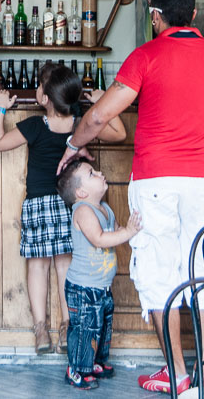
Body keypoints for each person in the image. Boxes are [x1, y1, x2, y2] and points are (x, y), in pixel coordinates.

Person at [57, 0, 204, 395]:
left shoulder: (146, 55)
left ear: (156, 17)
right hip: (200, 178)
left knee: (156, 271)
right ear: (192, 15)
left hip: (155, 176)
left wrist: (72, 145)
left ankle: (176, 372)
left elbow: (98, 118)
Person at [0, 63, 126, 356]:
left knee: (37, 266)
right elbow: (119, 134)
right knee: (66, 265)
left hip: (38, 203)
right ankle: (67, 325)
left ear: (43, 99)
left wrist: (0, 109)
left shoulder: (35, 125)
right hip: (71, 206)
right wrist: (102, 103)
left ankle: (40, 329)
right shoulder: (81, 123)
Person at [56, 156, 142, 390]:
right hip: (82, 288)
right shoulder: (83, 211)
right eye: (92, 173)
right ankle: (76, 369)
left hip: (101, 286)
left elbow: (117, 232)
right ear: (82, 192)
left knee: (102, 325)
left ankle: (95, 361)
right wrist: (129, 232)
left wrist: (132, 232)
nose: (100, 173)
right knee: (84, 329)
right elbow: (100, 239)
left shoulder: (105, 209)